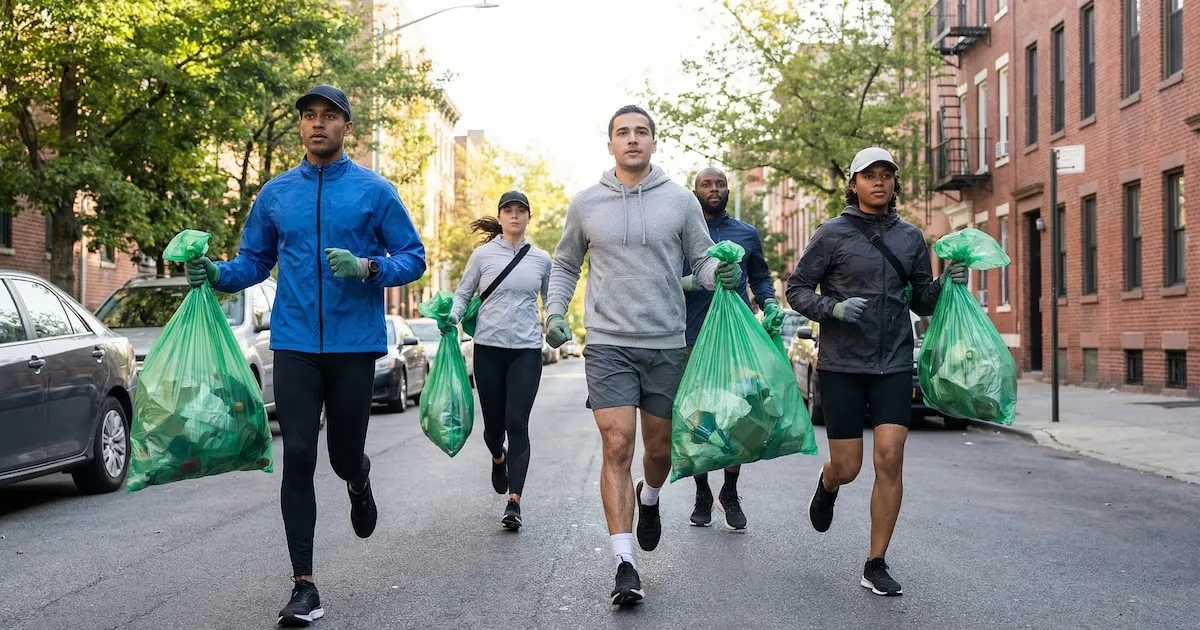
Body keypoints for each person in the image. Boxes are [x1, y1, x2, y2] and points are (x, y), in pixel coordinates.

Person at [186, 85, 426, 627]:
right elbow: (254, 261)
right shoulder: (276, 194)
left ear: (346, 127)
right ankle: (304, 585)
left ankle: (358, 479)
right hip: (293, 343)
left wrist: (368, 267)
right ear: (301, 126)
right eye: (309, 116)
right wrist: (217, 273)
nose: (318, 124)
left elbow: (413, 258)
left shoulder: (374, 191)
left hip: (353, 346)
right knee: (297, 454)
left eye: (329, 116)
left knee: (343, 457)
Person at [544, 105, 742, 605]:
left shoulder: (679, 201)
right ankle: (624, 563)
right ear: (610, 143)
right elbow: (565, 264)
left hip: (666, 343)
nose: (632, 139)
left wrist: (718, 273)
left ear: (654, 141)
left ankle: (649, 495)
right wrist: (555, 312)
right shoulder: (586, 203)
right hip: (607, 342)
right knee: (617, 445)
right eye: (622, 132)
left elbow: (700, 260)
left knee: (659, 451)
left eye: (641, 132)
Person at [785, 147, 966, 597]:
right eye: (869, 175)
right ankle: (828, 483)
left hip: (893, 361)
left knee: (890, 456)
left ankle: (876, 562)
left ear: (894, 183)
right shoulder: (831, 234)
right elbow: (797, 289)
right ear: (853, 184)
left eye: (886, 175)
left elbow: (920, 298)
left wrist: (946, 283)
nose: (879, 182)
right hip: (843, 364)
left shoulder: (910, 237)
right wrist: (832, 308)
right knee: (849, 466)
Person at [679, 167, 785, 531]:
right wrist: (688, 282)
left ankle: (730, 489)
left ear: (728, 190)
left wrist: (769, 304)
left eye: (720, 184)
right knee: (699, 417)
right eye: (706, 184)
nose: (714, 189)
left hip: (738, 341)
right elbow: (663, 278)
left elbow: (760, 277)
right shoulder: (683, 232)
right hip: (692, 338)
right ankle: (702, 491)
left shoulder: (746, 233)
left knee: (742, 415)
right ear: (695, 191)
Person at [445, 190, 552, 531]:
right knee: (494, 428)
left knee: (517, 422)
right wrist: (452, 317)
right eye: (508, 210)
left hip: (526, 350)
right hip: (488, 349)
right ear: (501, 216)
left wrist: (555, 322)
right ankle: (498, 456)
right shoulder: (483, 256)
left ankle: (514, 501)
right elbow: (464, 293)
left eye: (521, 210)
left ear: (528, 217)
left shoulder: (541, 259)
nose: (515, 216)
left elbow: (552, 299)